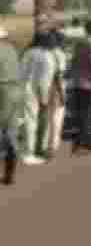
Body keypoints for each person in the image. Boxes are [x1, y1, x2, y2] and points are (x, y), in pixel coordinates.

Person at [19, 32, 55, 165]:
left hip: (24, 89)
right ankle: (30, 153)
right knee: (33, 122)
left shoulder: (27, 53)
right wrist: (44, 96)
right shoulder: (47, 56)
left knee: (29, 121)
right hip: (37, 92)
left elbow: (20, 71)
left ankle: (28, 150)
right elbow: (45, 79)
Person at [66, 20, 91, 155]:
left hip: (77, 82)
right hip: (89, 83)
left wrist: (71, 74)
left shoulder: (79, 43)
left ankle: (80, 141)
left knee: (80, 113)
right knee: (88, 112)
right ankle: (87, 142)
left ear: (85, 29)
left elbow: (73, 61)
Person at [0, 25, 22, 183]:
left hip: (3, 91)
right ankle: (10, 174)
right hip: (15, 91)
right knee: (11, 132)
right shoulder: (12, 49)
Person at [45, 30, 67, 159]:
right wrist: (62, 94)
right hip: (56, 89)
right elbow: (58, 75)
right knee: (56, 120)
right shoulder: (59, 54)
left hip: (43, 89)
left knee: (47, 119)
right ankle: (52, 148)